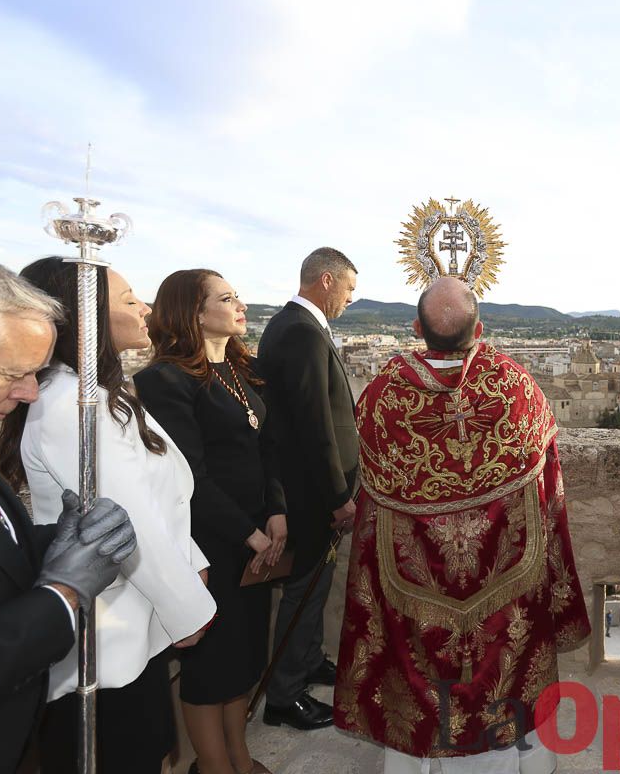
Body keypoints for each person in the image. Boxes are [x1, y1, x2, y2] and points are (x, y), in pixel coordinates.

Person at [332, 276, 590, 774]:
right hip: (506, 583)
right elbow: (548, 487)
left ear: (416, 328)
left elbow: (367, 490)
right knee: (507, 676)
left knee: (417, 675)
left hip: (414, 586)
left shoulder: (385, 394)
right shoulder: (515, 386)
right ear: (481, 327)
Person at [0, 258, 217, 773]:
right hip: (104, 639)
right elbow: (125, 514)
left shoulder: (96, 395)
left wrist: (191, 558)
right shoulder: (68, 405)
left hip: (133, 627)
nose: (145, 308)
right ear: (85, 317)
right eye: (129, 298)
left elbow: (159, 494)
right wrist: (189, 607)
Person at [0, 256, 136, 772]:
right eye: (12, 373)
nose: (29, 392)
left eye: (35, 373)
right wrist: (60, 597)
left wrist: (55, 542)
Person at [135, 269, 287, 774]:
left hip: (256, 537)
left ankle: (238, 755)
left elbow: (268, 452)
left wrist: (277, 511)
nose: (241, 304)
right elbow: (188, 476)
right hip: (208, 545)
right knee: (210, 666)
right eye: (226, 298)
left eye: (238, 295)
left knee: (244, 658)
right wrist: (249, 533)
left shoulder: (244, 371)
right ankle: (214, 765)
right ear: (193, 313)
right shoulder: (164, 380)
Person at [255, 247, 359, 729]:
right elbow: (315, 424)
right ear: (325, 281)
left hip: (308, 491)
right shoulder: (301, 332)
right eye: (349, 289)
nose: (350, 299)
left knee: (315, 588)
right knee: (304, 591)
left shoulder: (294, 328)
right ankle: (285, 695)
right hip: (313, 496)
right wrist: (339, 497)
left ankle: (309, 660)